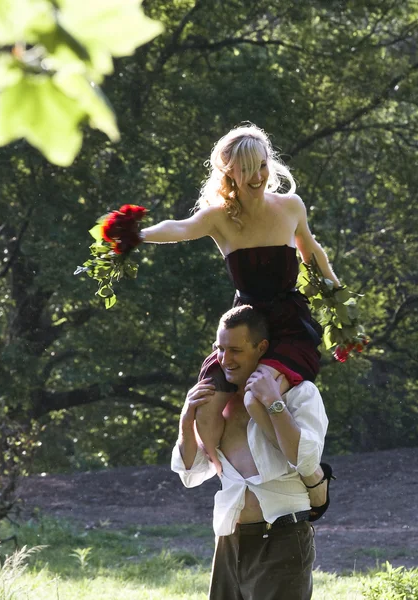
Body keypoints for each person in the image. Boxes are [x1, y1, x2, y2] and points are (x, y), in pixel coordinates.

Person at [141, 123, 340, 472]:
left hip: (288, 327)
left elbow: (312, 252)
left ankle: (303, 475)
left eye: (262, 165)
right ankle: (226, 474)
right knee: (205, 405)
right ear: (229, 172)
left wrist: (340, 306)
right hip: (245, 329)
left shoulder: (290, 207)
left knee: (255, 397)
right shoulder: (219, 218)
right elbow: (179, 228)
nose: (257, 175)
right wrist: (134, 236)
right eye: (247, 168)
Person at [171, 305, 330, 600]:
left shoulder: (299, 393)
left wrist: (272, 402)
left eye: (235, 350)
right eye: (219, 349)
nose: (225, 359)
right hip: (229, 540)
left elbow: (306, 459)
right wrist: (186, 418)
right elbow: (190, 474)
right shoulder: (216, 406)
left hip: (283, 537)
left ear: (262, 347)